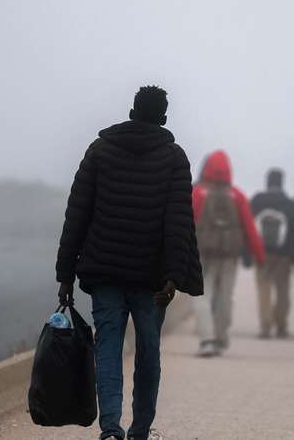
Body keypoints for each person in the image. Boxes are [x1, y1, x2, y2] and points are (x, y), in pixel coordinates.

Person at [55, 86, 203, 440]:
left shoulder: (99, 151)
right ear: (163, 118)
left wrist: (65, 274)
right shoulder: (174, 158)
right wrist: (173, 276)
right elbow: (179, 222)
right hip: (152, 279)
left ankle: (110, 428)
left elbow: (77, 215)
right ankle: (139, 431)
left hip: (105, 272)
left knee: (107, 347)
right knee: (148, 353)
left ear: (132, 112)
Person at [192, 150, 264, 356]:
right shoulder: (237, 195)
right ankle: (220, 337)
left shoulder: (198, 193)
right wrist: (259, 255)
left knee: (201, 295)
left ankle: (206, 339)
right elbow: (249, 227)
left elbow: (186, 223)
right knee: (225, 296)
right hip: (230, 256)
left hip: (203, 253)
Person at [250, 168, 294, 338]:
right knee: (283, 289)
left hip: (261, 252)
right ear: (282, 182)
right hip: (284, 254)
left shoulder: (258, 201)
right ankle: (281, 326)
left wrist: (247, 251)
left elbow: (248, 226)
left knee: (264, 288)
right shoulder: (289, 203)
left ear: (267, 181)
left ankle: (265, 326)